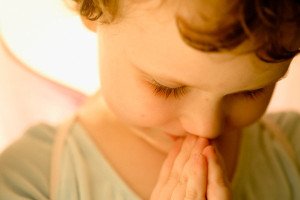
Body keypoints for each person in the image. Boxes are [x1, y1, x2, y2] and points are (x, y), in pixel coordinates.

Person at [1, 0, 300, 199]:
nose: (206, 126)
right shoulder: (30, 181)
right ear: (92, 9)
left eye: (251, 91)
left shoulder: (293, 148)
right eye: (166, 87)